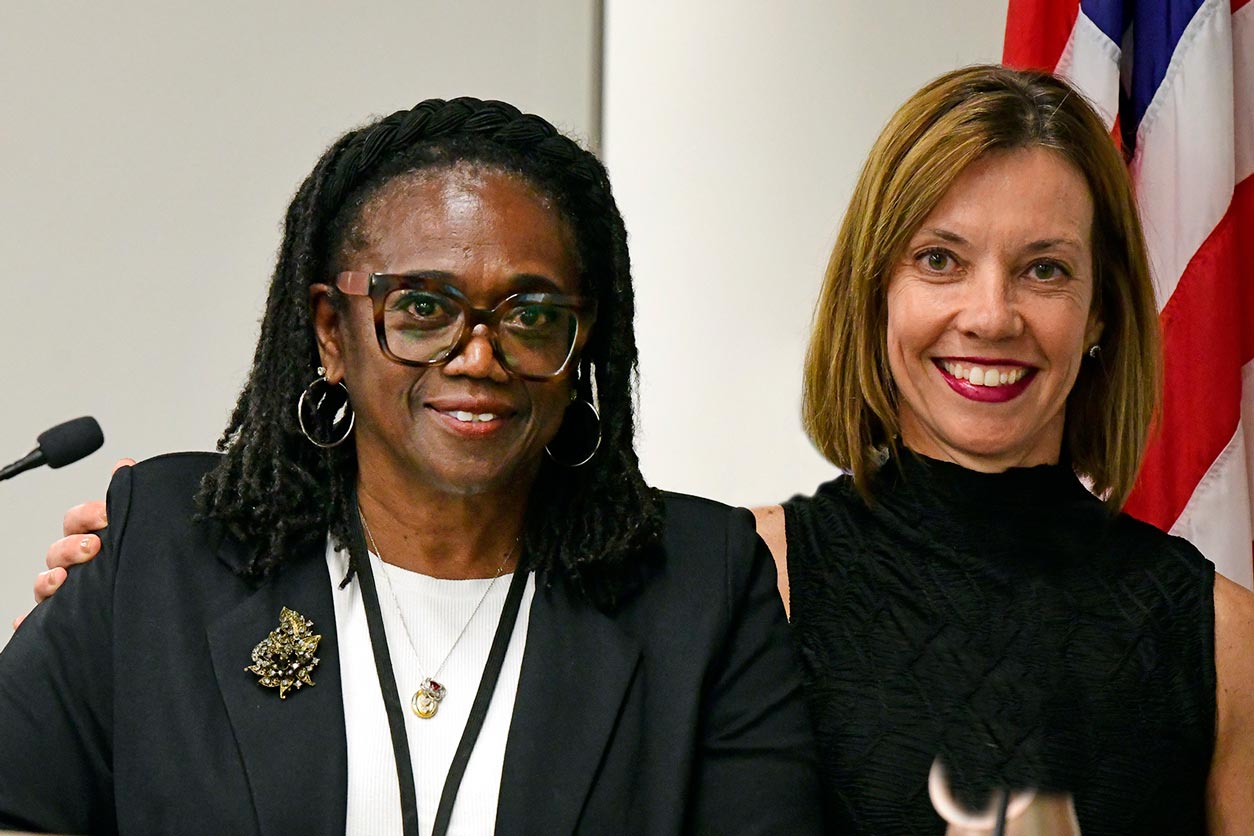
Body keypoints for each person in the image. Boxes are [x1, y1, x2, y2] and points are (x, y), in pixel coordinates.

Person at [0, 98, 822, 835]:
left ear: (582, 346)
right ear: (331, 331)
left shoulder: (700, 586)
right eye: (424, 309)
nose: (478, 356)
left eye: (532, 316)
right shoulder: (168, 545)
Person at [751, 66, 1254, 834]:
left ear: (1099, 316)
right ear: (876, 289)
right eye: (940, 260)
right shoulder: (747, 583)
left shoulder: (1224, 640)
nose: (990, 316)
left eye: (1043, 269)